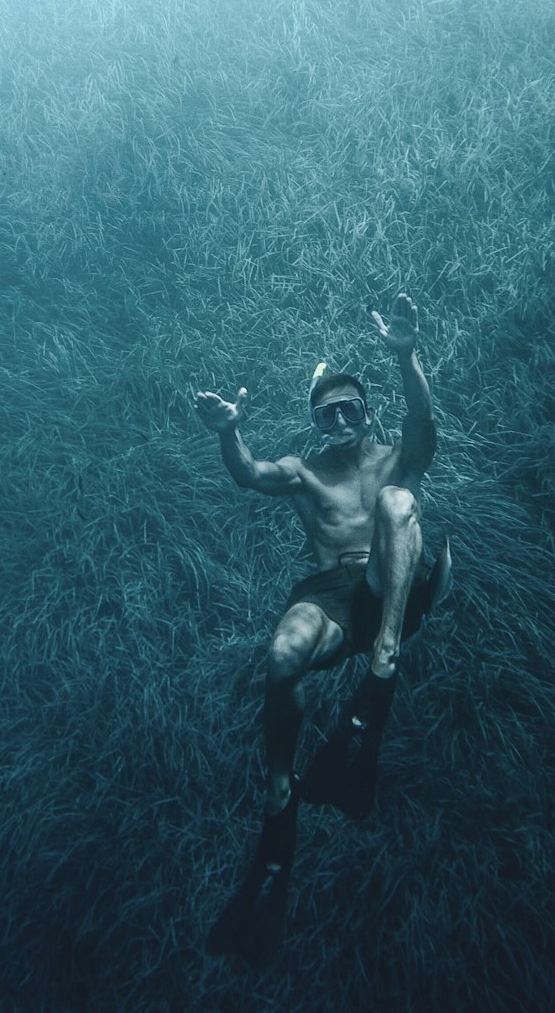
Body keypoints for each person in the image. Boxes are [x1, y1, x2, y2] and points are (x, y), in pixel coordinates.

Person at [195, 292, 452, 966]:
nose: (339, 418)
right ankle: (281, 800)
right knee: (281, 655)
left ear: (365, 414)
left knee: (399, 502)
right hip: (335, 594)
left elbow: (425, 424)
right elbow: (251, 474)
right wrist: (229, 430)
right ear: (316, 419)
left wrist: (405, 354)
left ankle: (384, 667)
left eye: (350, 409)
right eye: (327, 411)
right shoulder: (305, 473)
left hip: (394, 586)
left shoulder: (395, 459)